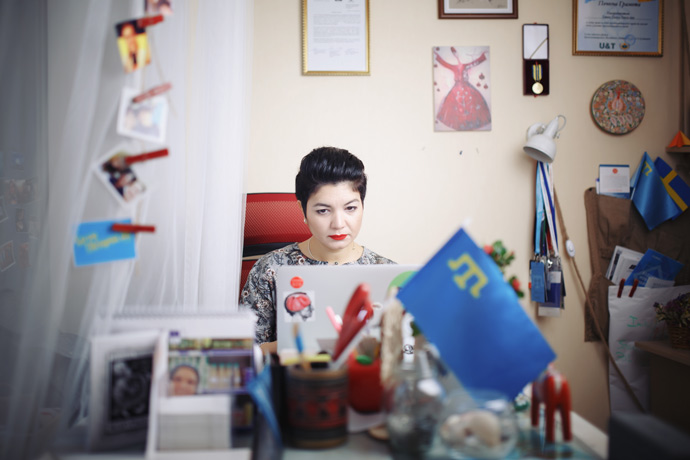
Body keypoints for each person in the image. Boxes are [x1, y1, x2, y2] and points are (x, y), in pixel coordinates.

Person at [239, 146, 395, 354]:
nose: (338, 223)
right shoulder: (271, 269)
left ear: (362, 207)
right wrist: (303, 341)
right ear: (302, 210)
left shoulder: (387, 274)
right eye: (323, 211)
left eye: (350, 208)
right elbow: (244, 352)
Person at [434, 47, 491, 131]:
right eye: (454, 54)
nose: (457, 56)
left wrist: (483, 55)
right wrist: (437, 56)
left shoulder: (465, 66)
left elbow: (475, 63)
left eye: (456, 54)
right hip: (456, 89)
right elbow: (444, 63)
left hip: (467, 87)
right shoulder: (453, 67)